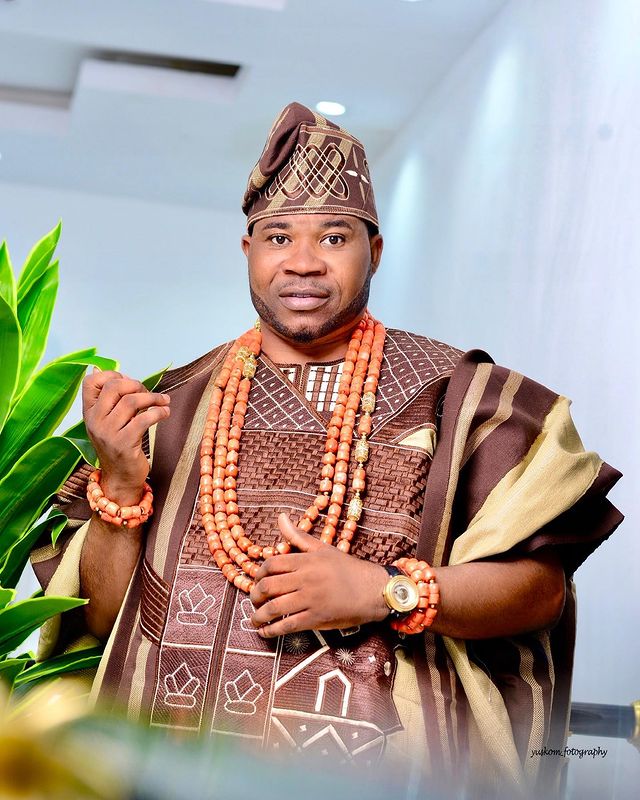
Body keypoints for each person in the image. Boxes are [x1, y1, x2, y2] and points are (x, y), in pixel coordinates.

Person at [31, 102, 622, 797]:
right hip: (168, 771)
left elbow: (540, 592)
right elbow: (104, 623)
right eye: (278, 237)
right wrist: (121, 487)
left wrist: (383, 591)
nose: (303, 263)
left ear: (376, 251)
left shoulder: (463, 401)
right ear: (248, 251)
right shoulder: (171, 403)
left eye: (334, 237)